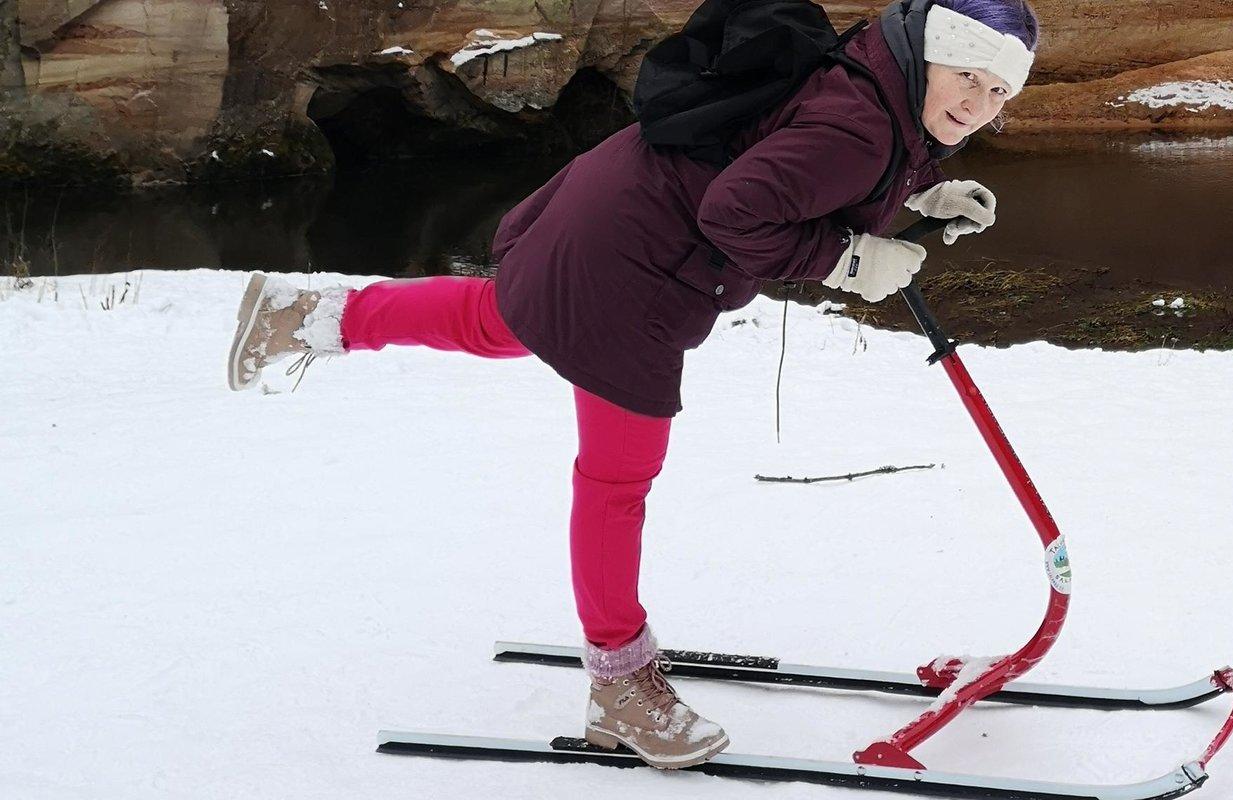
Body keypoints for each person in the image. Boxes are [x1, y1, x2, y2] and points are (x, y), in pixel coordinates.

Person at [221, 0, 1040, 770]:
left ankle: (312, 315)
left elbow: (799, 152)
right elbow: (741, 213)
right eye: (968, 74)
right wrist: (850, 259)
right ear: (931, 54)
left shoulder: (873, 71)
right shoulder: (863, 124)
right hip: (635, 261)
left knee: (506, 320)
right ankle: (618, 680)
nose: (978, 101)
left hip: (613, 202)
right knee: (618, 477)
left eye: (999, 89)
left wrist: (918, 191)